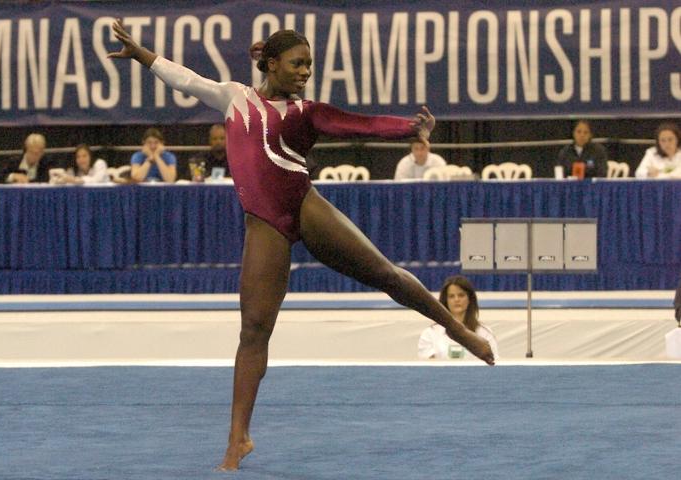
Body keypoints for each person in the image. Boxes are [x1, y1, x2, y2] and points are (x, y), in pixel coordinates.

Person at [107, 20, 494, 471]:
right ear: (271, 64)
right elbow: (186, 79)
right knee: (254, 331)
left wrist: (408, 128)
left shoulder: (305, 112)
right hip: (264, 223)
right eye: (297, 63)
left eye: (309, 64)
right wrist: (142, 55)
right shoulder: (235, 98)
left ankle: (457, 329)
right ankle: (237, 438)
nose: (306, 71)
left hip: (305, 205)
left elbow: (356, 125)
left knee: (385, 274)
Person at [418, 275, 499, 361]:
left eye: (461, 295)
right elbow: (428, 366)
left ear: (470, 299)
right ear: (446, 301)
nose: (456, 299)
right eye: (451, 296)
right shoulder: (430, 333)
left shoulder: (485, 333)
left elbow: (493, 363)